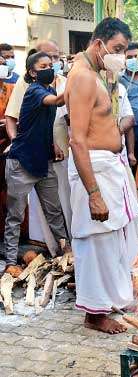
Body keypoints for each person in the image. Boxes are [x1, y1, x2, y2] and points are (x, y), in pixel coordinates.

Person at [65, 17, 138, 334]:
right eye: (117, 49)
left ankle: (113, 298)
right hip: (93, 168)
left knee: (112, 238)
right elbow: (77, 139)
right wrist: (93, 193)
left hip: (110, 166)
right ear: (98, 44)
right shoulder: (82, 77)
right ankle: (94, 315)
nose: (122, 56)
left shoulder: (96, 74)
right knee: (95, 240)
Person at [3, 52, 68, 277]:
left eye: (51, 64)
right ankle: (10, 262)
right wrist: (80, 79)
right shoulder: (34, 91)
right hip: (21, 163)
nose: (51, 68)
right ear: (32, 72)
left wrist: (53, 145)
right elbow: (59, 101)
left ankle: (65, 256)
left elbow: (43, 124)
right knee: (15, 215)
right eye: (44, 66)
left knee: (55, 212)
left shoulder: (49, 89)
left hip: (43, 162)